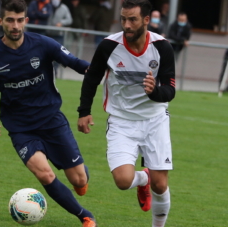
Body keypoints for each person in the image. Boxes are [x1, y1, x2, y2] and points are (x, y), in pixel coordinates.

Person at [0, 0, 97, 226]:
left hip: (52, 121)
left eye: (20, 20)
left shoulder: (43, 44)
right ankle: (85, 216)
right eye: (10, 20)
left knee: (79, 181)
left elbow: (74, 62)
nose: (15, 26)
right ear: (0, 21)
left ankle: (80, 172)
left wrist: (96, 68)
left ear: (26, 21)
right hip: (20, 128)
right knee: (45, 174)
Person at [77, 0, 175, 226]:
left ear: (146, 20)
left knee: (160, 185)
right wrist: (84, 111)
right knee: (122, 181)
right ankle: (143, 179)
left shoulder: (162, 47)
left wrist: (154, 92)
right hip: (122, 121)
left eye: (132, 19)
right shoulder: (108, 46)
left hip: (155, 120)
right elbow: (92, 78)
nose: (127, 25)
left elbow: (170, 90)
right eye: (123, 19)